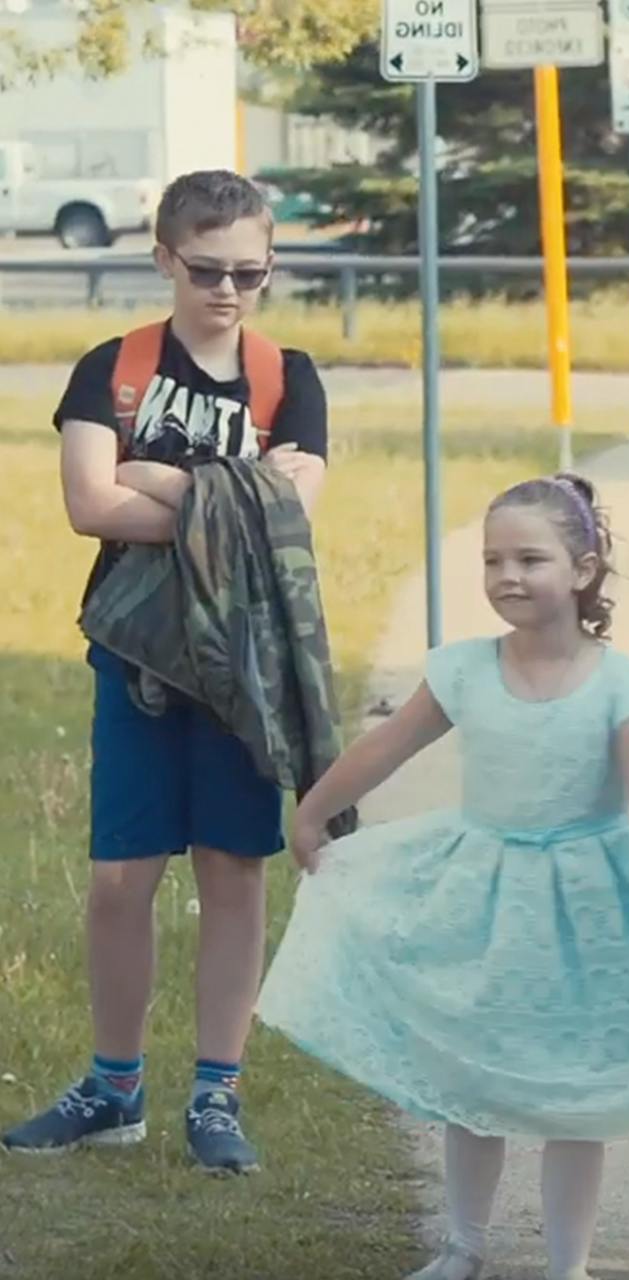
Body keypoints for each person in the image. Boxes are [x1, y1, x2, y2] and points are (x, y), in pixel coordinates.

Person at [254, 474, 629, 1280]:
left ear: (582, 568)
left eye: (530, 558)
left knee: (574, 1097)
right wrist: (315, 809)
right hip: (484, 894)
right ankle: (463, 1246)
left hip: (587, 908)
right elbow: (384, 747)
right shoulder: (463, 670)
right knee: (476, 1078)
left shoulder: (622, 685)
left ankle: (567, 1264)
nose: (508, 575)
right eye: (493, 559)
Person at [2, 169, 329, 1175]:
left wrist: (162, 477)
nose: (228, 290)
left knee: (234, 869)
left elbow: (293, 512)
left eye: (250, 271)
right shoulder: (117, 367)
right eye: (207, 269)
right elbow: (89, 507)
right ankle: (114, 1086)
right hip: (138, 654)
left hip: (243, 663)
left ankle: (216, 1092)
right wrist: (226, 497)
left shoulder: (289, 376)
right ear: (164, 259)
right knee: (119, 875)